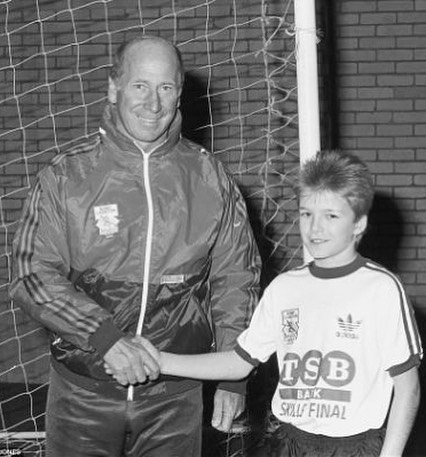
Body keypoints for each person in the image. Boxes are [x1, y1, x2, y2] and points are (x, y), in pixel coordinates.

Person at [9, 35, 261, 457]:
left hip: (175, 399)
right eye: (140, 85)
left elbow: (236, 278)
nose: (154, 103)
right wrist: (106, 338)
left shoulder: (210, 179)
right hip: (82, 393)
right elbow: (32, 274)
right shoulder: (66, 177)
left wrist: (234, 376)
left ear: (180, 93)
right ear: (114, 87)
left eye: (166, 87)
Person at [144, 150, 423, 457]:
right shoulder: (285, 288)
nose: (315, 228)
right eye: (306, 214)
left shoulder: (380, 288)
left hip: (353, 446)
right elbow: (239, 361)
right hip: (287, 442)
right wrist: (161, 360)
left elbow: (407, 388)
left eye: (331, 216)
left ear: (358, 224)